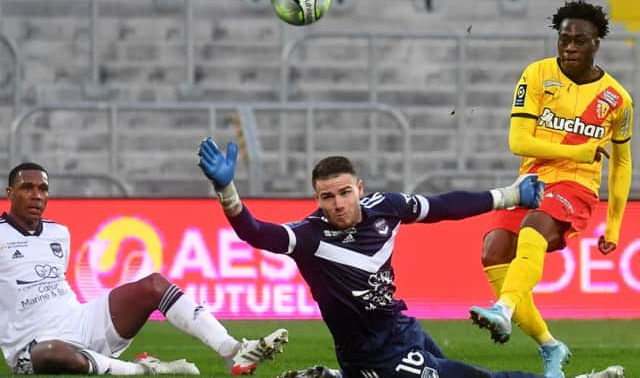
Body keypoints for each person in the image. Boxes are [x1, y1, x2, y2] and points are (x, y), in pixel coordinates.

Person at [197, 138, 624, 378]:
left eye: (345, 193)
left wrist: (509, 195)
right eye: (327, 197)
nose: (338, 203)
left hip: (402, 328)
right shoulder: (309, 236)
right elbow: (255, 233)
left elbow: (442, 206)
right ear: (318, 199)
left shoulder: (386, 207)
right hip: (371, 354)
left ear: (359, 188)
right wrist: (227, 191)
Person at [469, 0, 634, 378]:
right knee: (492, 251)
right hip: (531, 180)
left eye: (580, 40)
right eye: (564, 39)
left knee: (533, 229)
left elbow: (622, 164)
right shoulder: (537, 75)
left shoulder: (618, 100)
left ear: (596, 44)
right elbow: (519, 141)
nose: (570, 47)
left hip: (577, 186)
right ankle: (551, 346)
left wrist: (614, 224)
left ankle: (503, 310)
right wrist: (577, 148)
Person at [1, 162, 288, 375]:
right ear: (9, 192)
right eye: (27, 188)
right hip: (34, 344)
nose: (37, 195)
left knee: (153, 284)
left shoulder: (58, 233)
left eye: (43, 189)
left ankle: (233, 350)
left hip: (79, 320)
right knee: (56, 353)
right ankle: (144, 370)